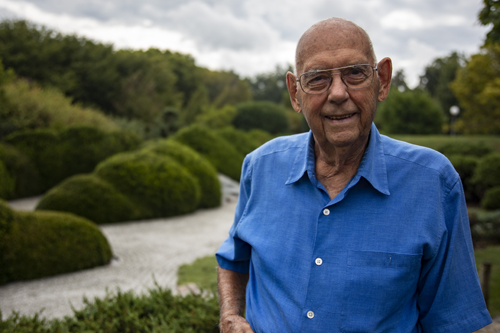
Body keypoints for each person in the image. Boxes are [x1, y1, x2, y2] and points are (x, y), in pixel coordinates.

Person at [215, 17, 492, 333]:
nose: (337, 93)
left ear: (382, 80)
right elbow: (233, 259)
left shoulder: (433, 182)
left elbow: (452, 321)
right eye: (317, 78)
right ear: (295, 93)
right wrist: (231, 316)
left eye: (355, 73)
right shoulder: (260, 166)